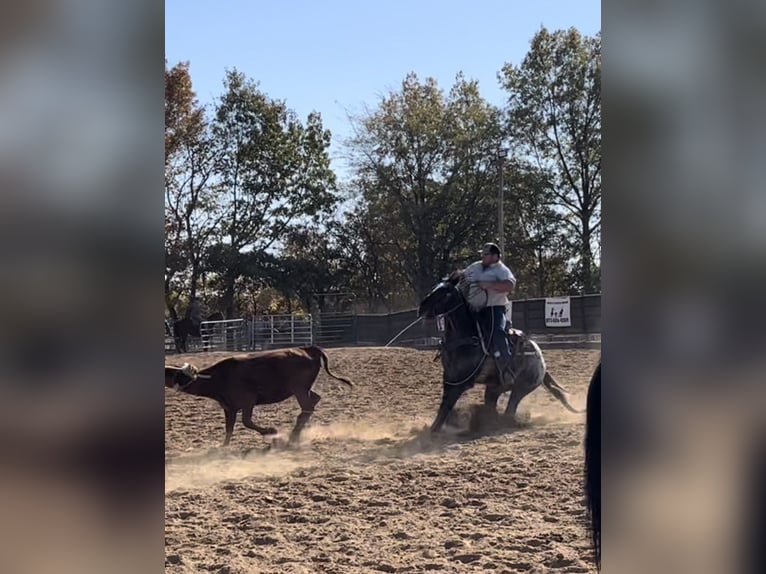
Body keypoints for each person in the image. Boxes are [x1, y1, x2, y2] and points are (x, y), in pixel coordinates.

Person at [464, 242, 517, 385]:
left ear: (495, 256)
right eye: (482, 255)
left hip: (494, 308)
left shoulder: (502, 270)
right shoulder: (475, 267)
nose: (482, 257)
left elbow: (510, 285)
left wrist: (490, 285)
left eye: (485, 255)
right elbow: (463, 274)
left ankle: (507, 368)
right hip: (474, 308)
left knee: (497, 332)